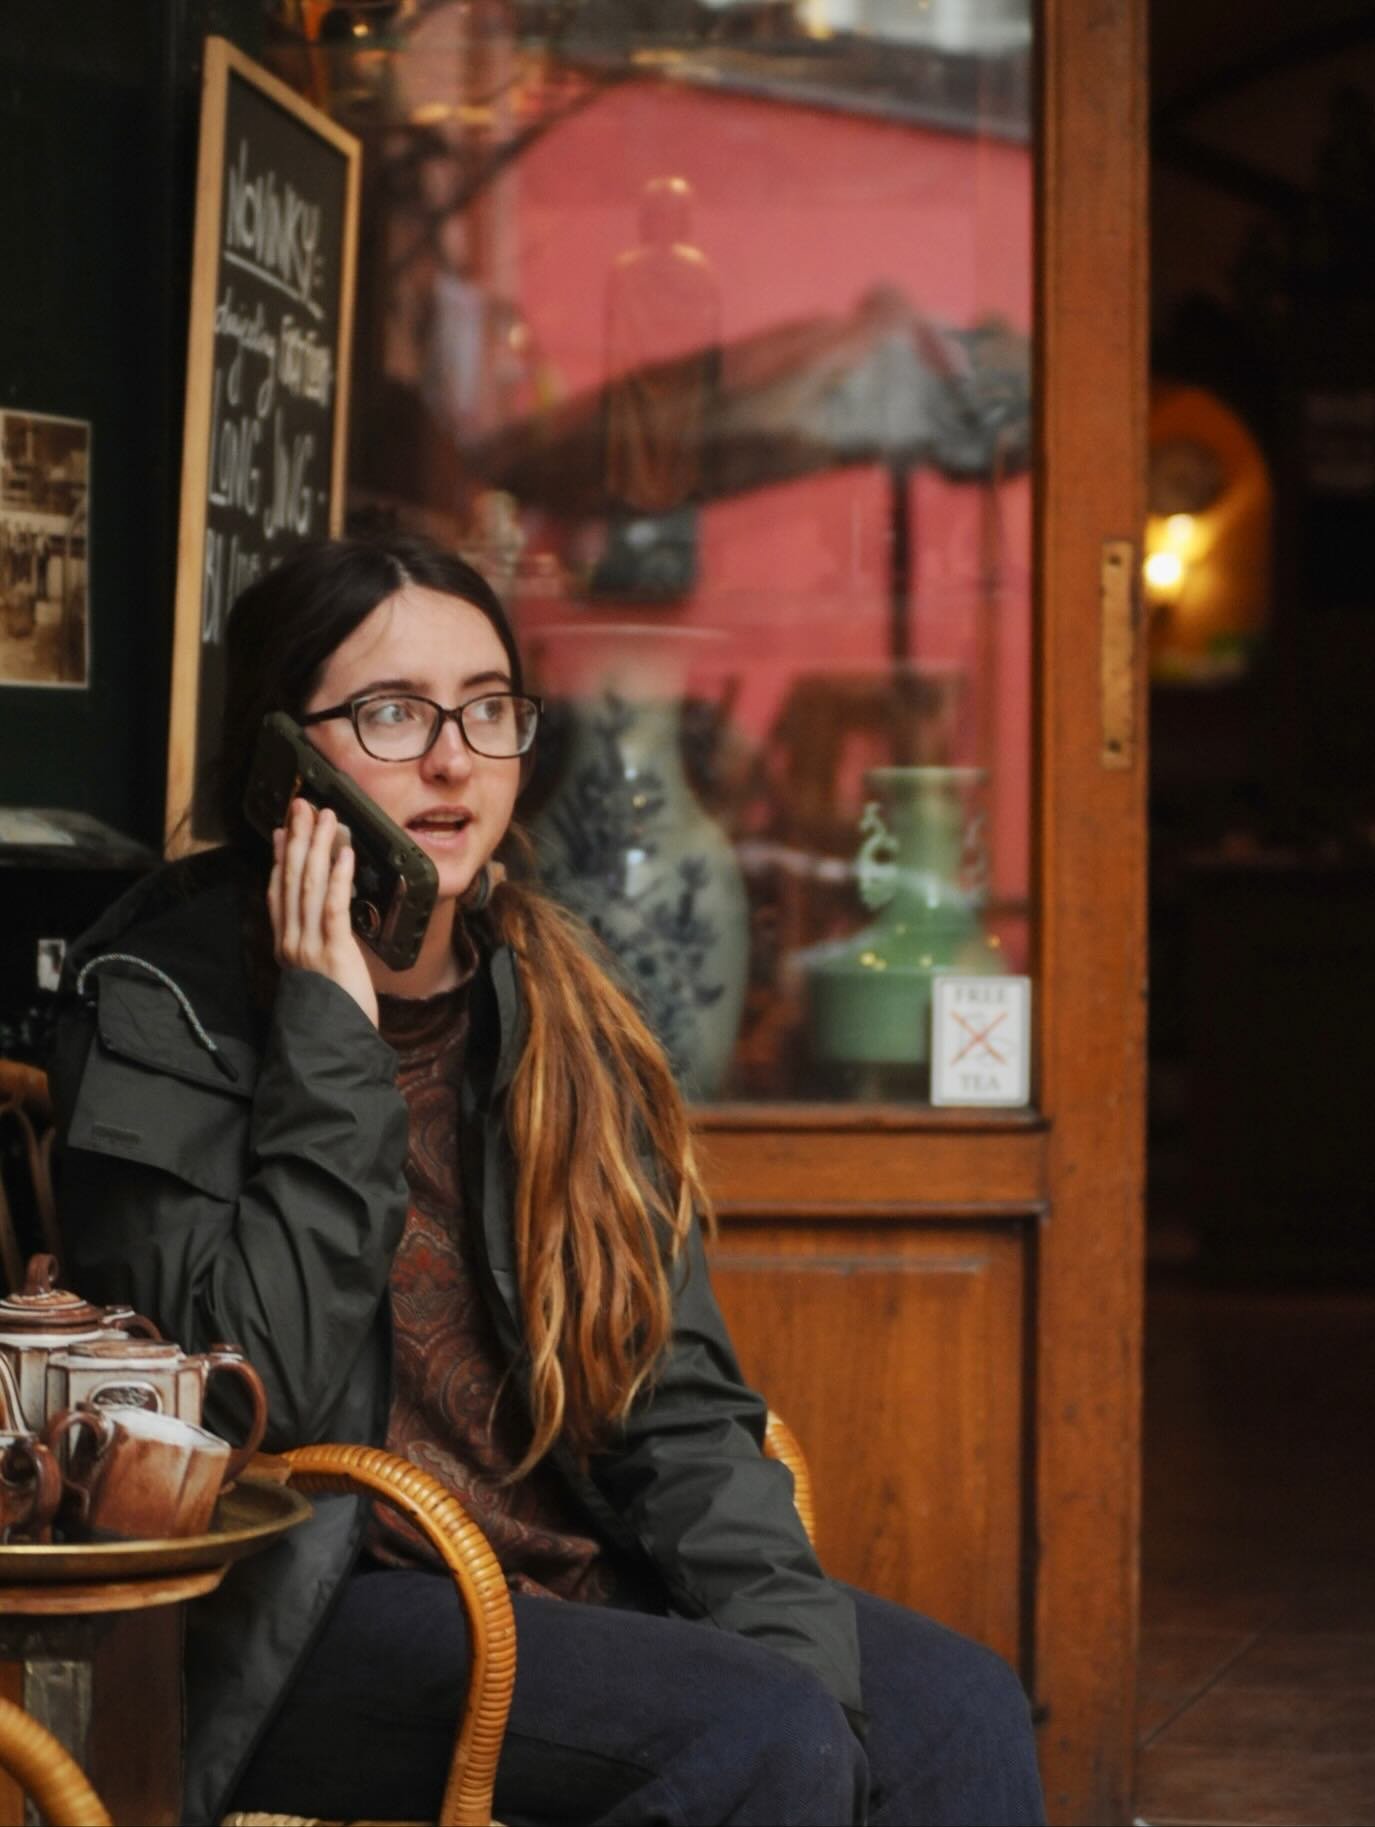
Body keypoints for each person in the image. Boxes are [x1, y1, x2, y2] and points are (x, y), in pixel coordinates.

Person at [50, 534, 1044, 1827]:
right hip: (307, 1611)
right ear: (279, 756)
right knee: (757, 1731)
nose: (455, 758)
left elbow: (675, 1409)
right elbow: (247, 1398)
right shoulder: (161, 1010)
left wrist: (813, 1684)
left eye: (488, 709)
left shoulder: (561, 1008)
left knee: (951, 1709)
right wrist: (327, 1037)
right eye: (393, 714)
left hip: (575, 1579)